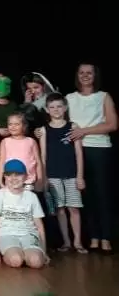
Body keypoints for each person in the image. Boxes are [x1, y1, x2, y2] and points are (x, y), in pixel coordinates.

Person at [65, 63, 117, 253]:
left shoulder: (103, 96)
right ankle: (94, 237)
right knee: (84, 195)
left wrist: (84, 131)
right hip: (76, 150)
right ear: (77, 75)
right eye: (82, 72)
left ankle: (106, 238)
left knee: (102, 193)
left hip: (99, 149)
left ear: (95, 76)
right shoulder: (69, 98)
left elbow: (112, 124)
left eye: (89, 73)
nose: (85, 75)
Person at [38, 93, 87, 254]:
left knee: (74, 208)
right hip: (53, 175)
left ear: (65, 108)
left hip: (72, 174)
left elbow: (79, 153)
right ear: (47, 110)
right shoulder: (44, 130)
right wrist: (44, 177)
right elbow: (43, 156)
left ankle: (77, 242)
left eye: (59, 106)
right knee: (59, 209)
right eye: (52, 107)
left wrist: (80, 176)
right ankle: (66, 242)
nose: (56, 110)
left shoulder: (73, 126)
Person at [0, 159, 48, 268]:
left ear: (25, 177)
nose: (13, 178)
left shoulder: (32, 197)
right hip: (6, 234)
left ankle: (27, 254)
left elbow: (39, 226)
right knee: (16, 260)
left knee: (36, 261)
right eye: (9, 175)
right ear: (5, 177)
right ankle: (14, 254)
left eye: (18, 174)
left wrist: (44, 251)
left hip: (29, 235)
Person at [0, 112, 43, 191]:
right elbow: (1, 162)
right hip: (10, 182)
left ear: (24, 126)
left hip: (28, 182)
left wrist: (40, 180)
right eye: (10, 124)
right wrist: (0, 181)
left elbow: (38, 162)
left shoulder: (31, 141)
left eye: (17, 124)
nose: (13, 127)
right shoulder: (5, 141)